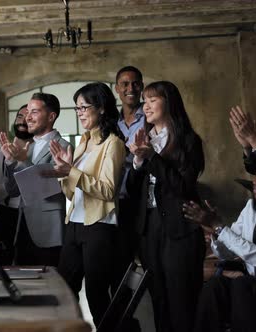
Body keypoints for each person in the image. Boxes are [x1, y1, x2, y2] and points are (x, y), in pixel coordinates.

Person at [126, 81, 205, 332]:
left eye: (152, 100)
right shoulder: (144, 139)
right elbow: (131, 191)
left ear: (169, 103)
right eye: (145, 101)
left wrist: (152, 158)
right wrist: (138, 161)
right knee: (158, 299)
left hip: (179, 227)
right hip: (149, 228)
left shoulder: (189, 141)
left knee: (181, 300)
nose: (146, 106)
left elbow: (182, 187)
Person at [45, 82, 125, 326]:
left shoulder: (113, 143)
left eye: (83, 107)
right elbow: (72, 194)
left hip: (100, 225)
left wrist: (72, 171)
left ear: (101, 108)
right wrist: (64, 172)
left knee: (96, 295)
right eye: (76, 108)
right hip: (75, 223)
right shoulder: (83, 141)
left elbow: (108, 190)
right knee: (65, 288)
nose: (79, 113)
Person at [183, 160, 256, 332]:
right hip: (251, 286)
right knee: (215, 287)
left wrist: (219, 227)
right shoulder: (251, 207)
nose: (255, 181)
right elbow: (229, 252)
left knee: (242, 285)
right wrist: (216, 232)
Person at [0, 92, 72, 267]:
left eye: (34, 112)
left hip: (49, 230)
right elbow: (14, 190)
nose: (27, 118)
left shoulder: (63, 146)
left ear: (51, 116)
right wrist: (10, 161)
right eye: (26, 112)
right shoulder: (28, 147)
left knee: (50, 288)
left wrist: (22, 160)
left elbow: (46, 188)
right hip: (22, 228)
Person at [0, 104, 33, 265]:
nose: (23, 120)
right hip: (5, 218)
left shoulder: (41, 154)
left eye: (29, 116)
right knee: (1, 270)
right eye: (20, 116)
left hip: (33, 220)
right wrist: (9, 187)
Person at [113, 66, 145, 293]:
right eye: (125, 84)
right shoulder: (111, 122)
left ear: (141, 87)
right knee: (119, 269)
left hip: (143, 201)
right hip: (116, 202)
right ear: (117, 89)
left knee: (148, 263)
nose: (130, 88)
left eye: (135, 83)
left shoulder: (151, 117)